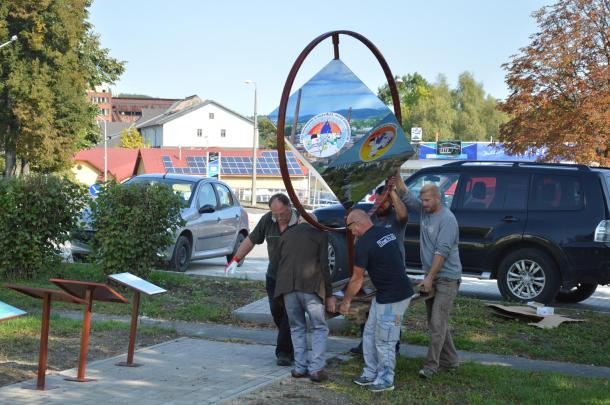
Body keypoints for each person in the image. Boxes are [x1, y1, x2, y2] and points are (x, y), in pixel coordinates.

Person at [340, 209, 414, 393]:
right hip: (386, 294)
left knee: (385, 339)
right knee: (370, 332)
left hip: (394, 298)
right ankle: (370, 372)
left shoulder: (364, 243)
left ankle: (386, 379)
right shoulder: (385, 232)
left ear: (357, 223)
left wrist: (346, 301)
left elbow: (357, 279)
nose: (351, 232)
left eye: (350, 228)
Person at [226, 193, 297, 366]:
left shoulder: (300, 220)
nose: (279, 218)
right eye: (275, 214)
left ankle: (284, 352)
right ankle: (293, 342)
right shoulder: (267, 220)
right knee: (276, 311)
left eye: (282, 214)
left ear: (289, 207)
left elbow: (317, 227)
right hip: (273, 275)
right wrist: (235, 259)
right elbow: (251, 240)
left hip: (295, 277)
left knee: (290, 314)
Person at [399, 183, 462, 379]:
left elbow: (441, 252)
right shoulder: (426, 210)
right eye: (423, 200)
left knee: (436, 323)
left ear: (438, 199)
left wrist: (430, 277)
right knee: (437, 322)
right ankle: (451, 360)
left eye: (427, 201)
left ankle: (431, 366)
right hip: (432, 276)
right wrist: (398, 176)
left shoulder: (448, 220)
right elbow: (407, 197)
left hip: (447, 278)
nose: (423, 204)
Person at [350, 175, 408, 355]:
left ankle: (394, 345)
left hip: (393, 273)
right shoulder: (371, 218)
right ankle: (365, 344)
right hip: (372, 272)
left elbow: (404, 214)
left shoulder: (396, 218)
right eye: (378, 202)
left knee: (392, 315)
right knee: (367, 307)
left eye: (384, 202)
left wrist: (392, 193)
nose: (381, 205)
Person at [274, 214, 336, 382]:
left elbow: (277, 262)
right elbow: (325, 265)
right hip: (311, 288)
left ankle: (300, 368)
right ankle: (316, 369)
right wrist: (329, 295)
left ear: (300, 221)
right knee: (319, 328)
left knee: (297, 328)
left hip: (287, 288)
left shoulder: (286, 234)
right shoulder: (320, 235)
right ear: (314, 222)